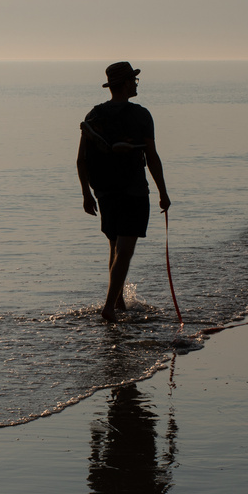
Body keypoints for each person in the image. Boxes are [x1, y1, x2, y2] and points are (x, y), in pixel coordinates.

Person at [77, 61, 171, 322]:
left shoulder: (94, 115)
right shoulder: (140, 115)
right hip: (133, 192)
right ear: (126, 84)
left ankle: (118, 302)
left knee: (115, 248)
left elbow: (81, 160)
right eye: (134, 81)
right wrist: (163, 191)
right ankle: (109, 307)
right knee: (125, 250)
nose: (136, 85)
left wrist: (86, 193)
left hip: (104, 192)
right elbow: (151, 157)